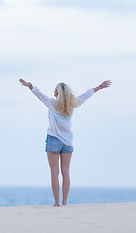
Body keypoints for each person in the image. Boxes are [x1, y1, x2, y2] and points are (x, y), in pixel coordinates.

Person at [19, 78, 111, 207]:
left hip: (53, 140)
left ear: (56, 92)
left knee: (54, 172)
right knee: (66, 172)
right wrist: (100, 86)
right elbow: (87, 94)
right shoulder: (73, 104)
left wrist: (30, 86)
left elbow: (39, 95)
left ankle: (57, 202)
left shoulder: (52, 103)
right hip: (67, 142)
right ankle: (65, 202)